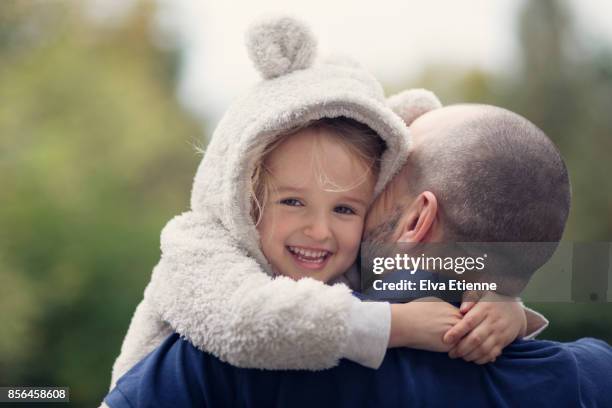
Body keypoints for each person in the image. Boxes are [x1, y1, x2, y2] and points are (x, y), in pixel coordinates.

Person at [108, 16, 539, 391]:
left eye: (345, 209)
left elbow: (431, 279)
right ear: (246, 193)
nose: (320, 230)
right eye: (293, 201)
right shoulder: (198, 247)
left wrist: (502, 308)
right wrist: (395, 326)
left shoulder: (344, 263)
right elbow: (246, 322)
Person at [104, 103, 612, 407]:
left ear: (417, 220)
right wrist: (506, 301)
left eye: (377, 188)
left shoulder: (234, 357)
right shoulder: (594, 378)